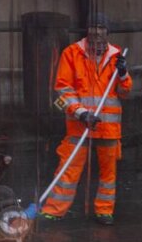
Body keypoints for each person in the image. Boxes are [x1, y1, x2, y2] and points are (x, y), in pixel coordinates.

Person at [41, 13, 132, 225]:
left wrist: (124, 74)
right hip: (79, 126)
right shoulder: (72, 53)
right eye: (94, 35)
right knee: (68, 169)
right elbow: (63, 90)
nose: (98, 41)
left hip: (108, 128)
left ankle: (104, 211)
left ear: (107, 35)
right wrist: (81, 113)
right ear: (87, 34)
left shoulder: (117, 56)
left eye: (102, 35)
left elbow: (125, 93)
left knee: (108, 175)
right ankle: (54, 210)